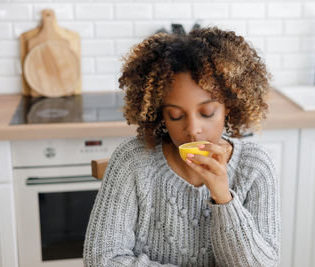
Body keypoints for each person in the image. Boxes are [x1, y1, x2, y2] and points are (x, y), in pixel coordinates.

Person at [83, 26, 281, 267]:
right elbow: (101, 259)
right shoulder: (132, 161)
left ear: (229, 106)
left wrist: (224, 198)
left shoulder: (256, 166)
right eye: (176, 115)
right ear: (160, 115)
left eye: (207, 113)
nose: (192, 129)